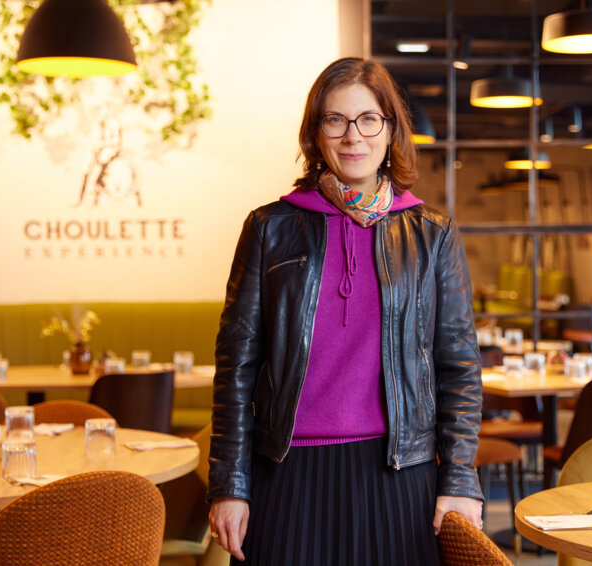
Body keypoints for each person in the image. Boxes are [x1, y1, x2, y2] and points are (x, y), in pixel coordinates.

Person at [207, 57, 483, 566]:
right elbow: (236, 368)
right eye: (335, 120)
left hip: (399, 472)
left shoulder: (432, 234)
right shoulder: (269, 228)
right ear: (316, 134)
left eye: (368, 119)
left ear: (389, 130)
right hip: (286, 470)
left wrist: (461, 479)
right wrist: (229, 483)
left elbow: (460, 367)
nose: (353, 136)